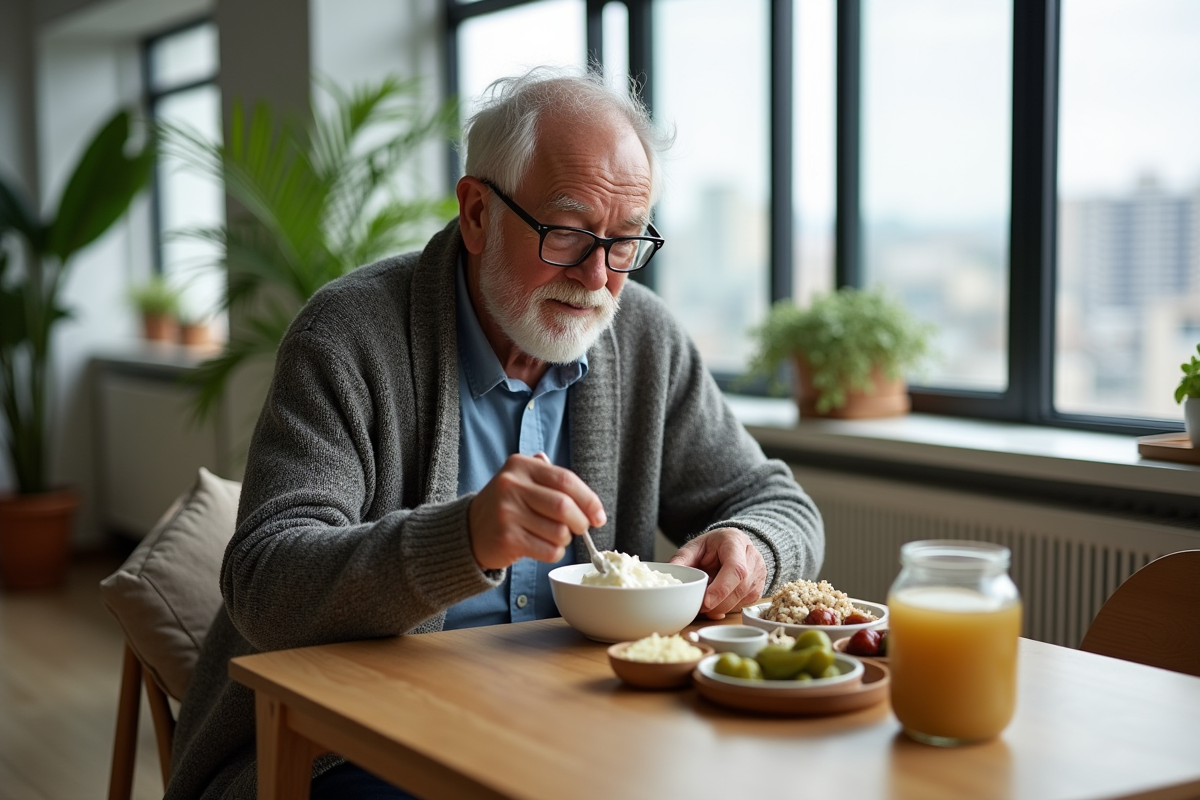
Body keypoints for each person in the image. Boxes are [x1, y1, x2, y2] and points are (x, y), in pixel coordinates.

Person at [164, 67, 824, 800]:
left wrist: (754, 548)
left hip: (583, 723)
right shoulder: (349, 336)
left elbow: (777, 503)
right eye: (568, 233)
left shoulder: (645, 338)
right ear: (477, 212)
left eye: (625, 242)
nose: (599, 278)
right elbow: (264, 582)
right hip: (351, 741)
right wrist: (465, 538)